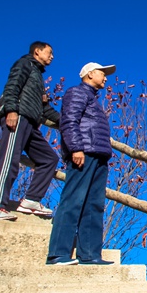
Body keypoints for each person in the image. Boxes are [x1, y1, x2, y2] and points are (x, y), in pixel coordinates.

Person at [46, 61, 117, 265]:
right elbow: (69, 120)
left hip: (99, 155)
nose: (105, 77)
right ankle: (58, 254)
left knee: (94, 205)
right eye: (102, 73)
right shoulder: (77, 92)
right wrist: (76, 148)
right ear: (90, 74)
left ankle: (90, 254)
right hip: (84, 152)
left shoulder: (93, 99)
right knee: (73, 200)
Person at [0, 41, 60, 221]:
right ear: (37, 51)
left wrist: (68, 121)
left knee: (49, 158)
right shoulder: (24, 64)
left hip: (31, 123)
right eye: (49, 53)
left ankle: (31, 200)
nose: (52, 56)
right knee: (9, 157)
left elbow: (46, 110)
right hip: (18, 117)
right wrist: (11, 110)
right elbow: (12, 87)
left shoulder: (38, 78)